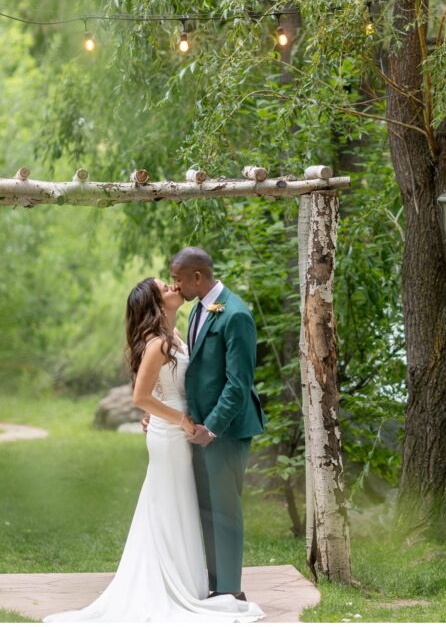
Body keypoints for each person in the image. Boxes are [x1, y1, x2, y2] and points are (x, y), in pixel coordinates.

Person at [43, 276, 264, 623]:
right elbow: (140, 397)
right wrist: (178, 420)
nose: (172, 288)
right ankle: (165, 585)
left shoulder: (174, 335)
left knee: (178, 505)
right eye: (165, 287)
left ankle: (187, 583)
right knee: (168, 504)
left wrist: (166, 415)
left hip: (175, 431)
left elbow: (169, 387)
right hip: (171, 434)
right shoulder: (157, 344)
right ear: (155, 304)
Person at [143, 247, 268, 602]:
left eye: (178, 277)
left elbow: (238, 383)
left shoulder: (236, 314)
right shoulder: (199, 309)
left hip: (225, 431)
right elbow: (191, 374)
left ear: (197, 277)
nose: (175, 284)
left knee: (225, 509)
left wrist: (210, 428)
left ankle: (231, 589)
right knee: (207, 509)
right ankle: (214, 585)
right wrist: (163, 410)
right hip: (197, 430)